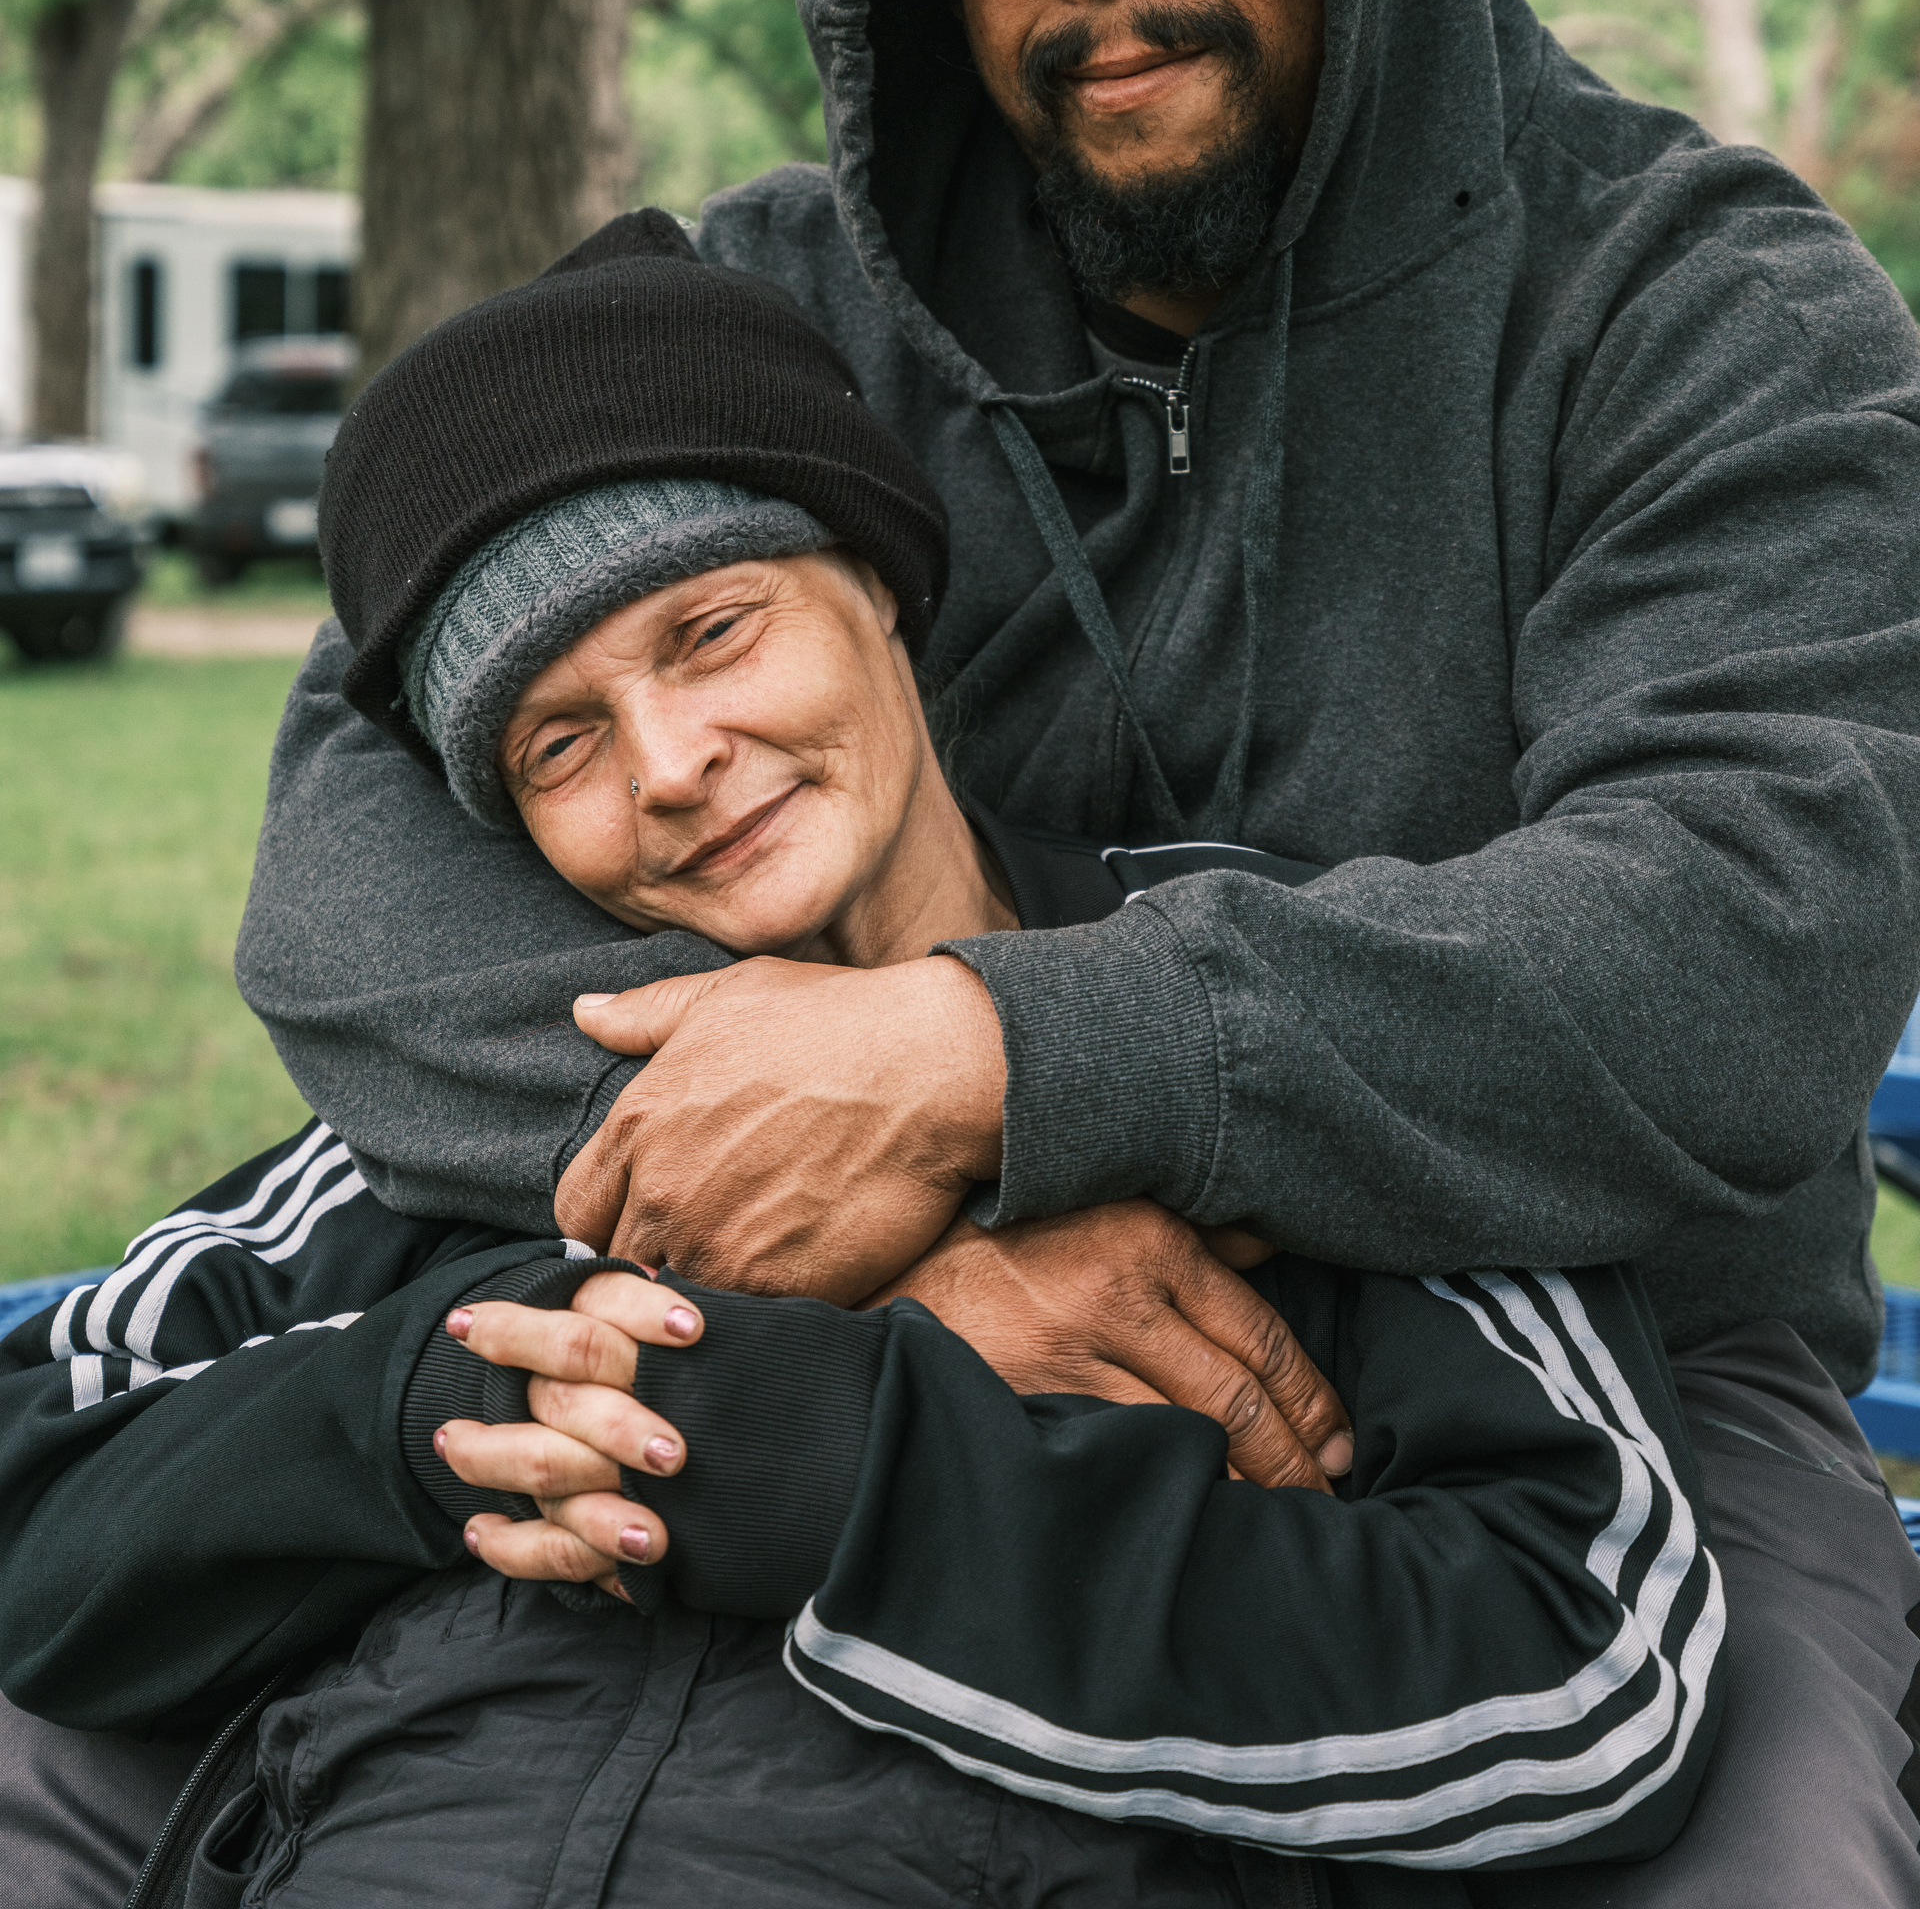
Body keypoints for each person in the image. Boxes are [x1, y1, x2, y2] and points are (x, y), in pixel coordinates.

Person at [230, 0, 1920, 1900]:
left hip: (1609, 1388)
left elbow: (1753, 932)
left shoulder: (1696, 311)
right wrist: (890, 1207)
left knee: (1762, 1865)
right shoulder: (772, 309)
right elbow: (347, 832)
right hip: (873, 1342)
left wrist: (1001, 1058)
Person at [0, 218, 1725, 1909]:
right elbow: (39, 1472)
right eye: (560, 738)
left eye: (713, 631)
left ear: (884, 590)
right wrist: (420, 1415)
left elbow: (1592, 1673)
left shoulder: (1259, 1016)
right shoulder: (499, 1102)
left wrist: (816, 1458)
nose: (673, 763)